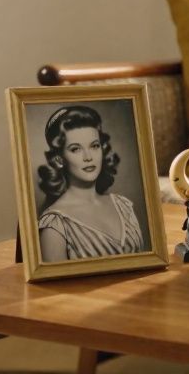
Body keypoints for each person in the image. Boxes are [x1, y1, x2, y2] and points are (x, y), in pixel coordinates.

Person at [36, 105, 146, 262]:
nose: (88, 157)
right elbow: (57, 286)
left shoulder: (123, 206)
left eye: (94, 146)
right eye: (75, 149)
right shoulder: (55, 225)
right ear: (59, 159)